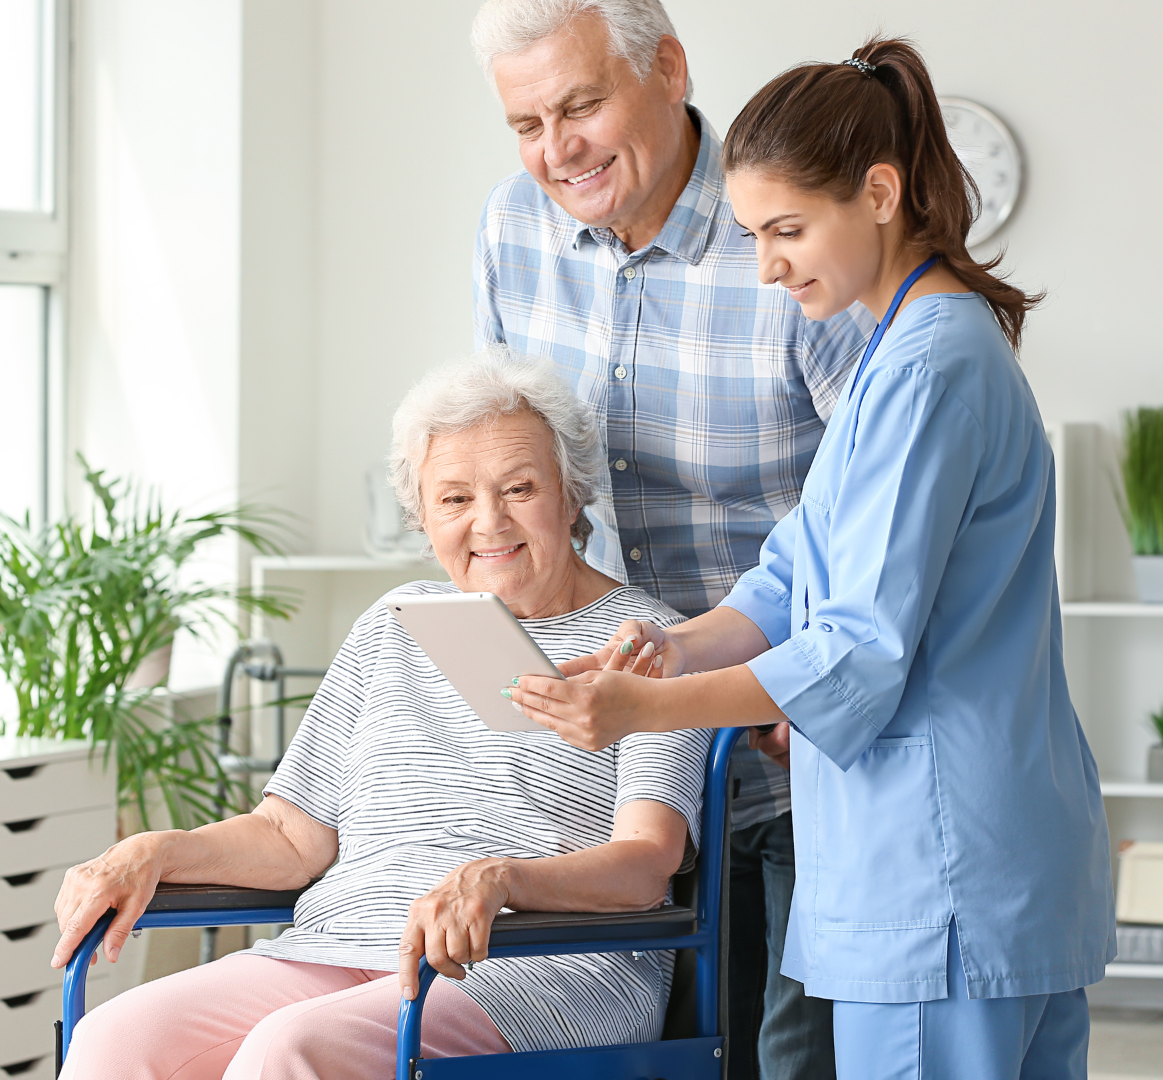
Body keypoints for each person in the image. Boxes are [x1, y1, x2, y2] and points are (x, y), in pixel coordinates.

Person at [507, 37, 1115, 1080]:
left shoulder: (929, 367)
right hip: (988, 869)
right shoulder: (907, 353)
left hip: (940, 878)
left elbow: (855, 654)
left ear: (879, 194)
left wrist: (640, 713)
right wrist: (662, 647)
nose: (770, 265)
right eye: (750, 235)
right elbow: (793, 575)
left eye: (787, 230)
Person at [49, 354, 712, 1080]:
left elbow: (647, 866)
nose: (489, 522)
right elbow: (289, 835)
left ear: (572, 493)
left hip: (536, 966)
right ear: (421, 516)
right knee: (113, 1041)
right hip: (340, 945)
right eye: (454, 499)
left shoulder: (652, 643)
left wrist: (502, 880)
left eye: (518, 488)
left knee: (291, 1049)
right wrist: (152, 850)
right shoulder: (397, 625)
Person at [468, 2, 869, 1075]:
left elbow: (874, 504)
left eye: (583, 105)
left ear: (671, 69)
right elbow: (521, 479)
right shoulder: (513, 232)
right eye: (526, 124)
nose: (558, 151)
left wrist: (796, 683)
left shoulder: (782, 233)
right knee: (649, 1053)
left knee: (785, 1058)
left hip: (789, 748)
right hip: (616, 769)